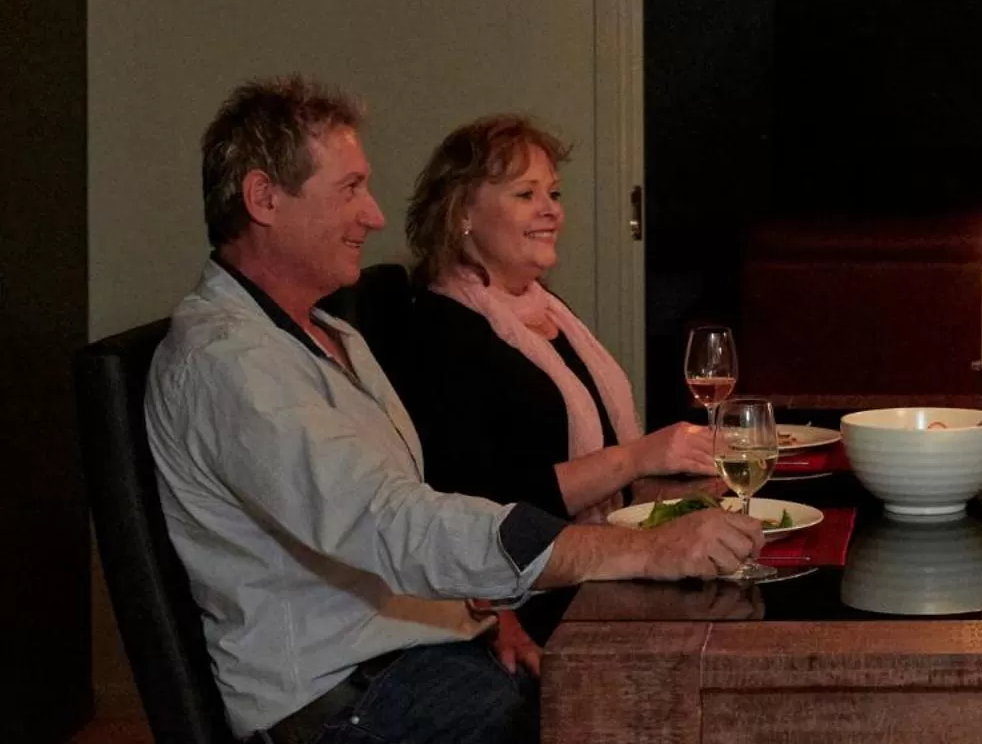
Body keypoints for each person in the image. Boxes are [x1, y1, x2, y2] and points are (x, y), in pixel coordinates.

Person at [146, 78, 764, 744]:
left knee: (664, 696)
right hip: (346, 700)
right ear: (264, 198)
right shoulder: (229, 360)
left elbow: (407, 505)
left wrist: (484, 611)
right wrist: (642, 549)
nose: (374, 214)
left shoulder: (328, 332)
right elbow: (390, 520)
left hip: (415, 657)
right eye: (350, 188)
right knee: (633, 715)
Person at [362, 114, 716, 643]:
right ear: (462, 212)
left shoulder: (545, 310)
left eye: (553, 193)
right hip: (524, 604)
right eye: (526, 194)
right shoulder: (440, 331)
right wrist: (638, 458)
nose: (551, 210)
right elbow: (487, 504)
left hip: (593, 571)